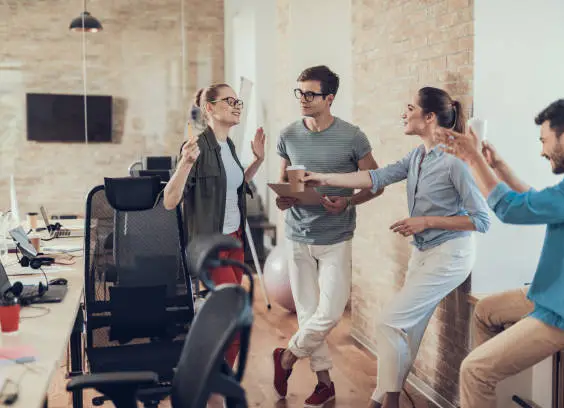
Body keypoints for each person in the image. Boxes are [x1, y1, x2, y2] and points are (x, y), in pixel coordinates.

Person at [303, 86, 491, 408]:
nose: (403, 113)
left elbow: (482, 220)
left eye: (409, 107)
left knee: (388, 321)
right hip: (423, 252)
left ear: (429, 117)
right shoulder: (418, 156)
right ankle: (381, 401)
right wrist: (321, 177)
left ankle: (388, 402)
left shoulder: (455, 162)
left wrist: (426, 221)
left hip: (451, 255)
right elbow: (375, 177)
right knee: (407, 329)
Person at [438, 99, 564, 408]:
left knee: (475, 370)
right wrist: (498, 168)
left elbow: (511, 209)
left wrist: (473, 158)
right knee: (486, 310)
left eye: (545, 140)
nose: (542, 150)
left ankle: (484, 385)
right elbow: (536, 202)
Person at [272, 65, 382, 408]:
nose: (303, 99)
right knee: (307, 314)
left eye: (310, 94)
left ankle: (286, 358)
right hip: (297, 237)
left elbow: (375, 182)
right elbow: (284, 190)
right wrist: (284, 198)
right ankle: (325, 385)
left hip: (335, 237)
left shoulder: (352, 137)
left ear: (329, 98)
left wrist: (348, 200)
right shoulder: (288, 134)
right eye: (299, 92)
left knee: (330, 312)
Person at [163, 83, 266, 372]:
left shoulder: (229, 146)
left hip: (233, 242)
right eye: (228, 100)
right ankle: (212, 384)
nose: (236, 105)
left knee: (237, 315)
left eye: (238, 101)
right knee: (231, 314)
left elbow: (232, 186)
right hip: (209, 245)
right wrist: (185, 163)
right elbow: (170, 202)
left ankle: (217, 382)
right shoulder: (197, 147)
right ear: (209, 108)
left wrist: (257, 160)